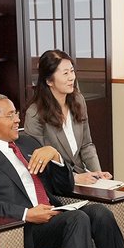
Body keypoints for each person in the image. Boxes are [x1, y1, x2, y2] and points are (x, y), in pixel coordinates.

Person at [0, 93, 124, 248]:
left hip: (53, 214)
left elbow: (63, 187)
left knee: (100, 213)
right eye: (10, 116)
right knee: (76, 219)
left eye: (16, 113)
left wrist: (56, 157)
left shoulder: (27, 143)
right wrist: (25, 213)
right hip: (24, 227)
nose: (17, 120)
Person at [23, 49, 111, 186]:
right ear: (49, 81)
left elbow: (87, 145)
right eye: (65, 73)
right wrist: (74, 178)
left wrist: (98, 175)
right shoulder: (34, 114)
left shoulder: (78, 100)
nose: (72, 77)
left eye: (72, 71)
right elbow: (38, 164)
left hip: (84, 177)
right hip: (58, 184)